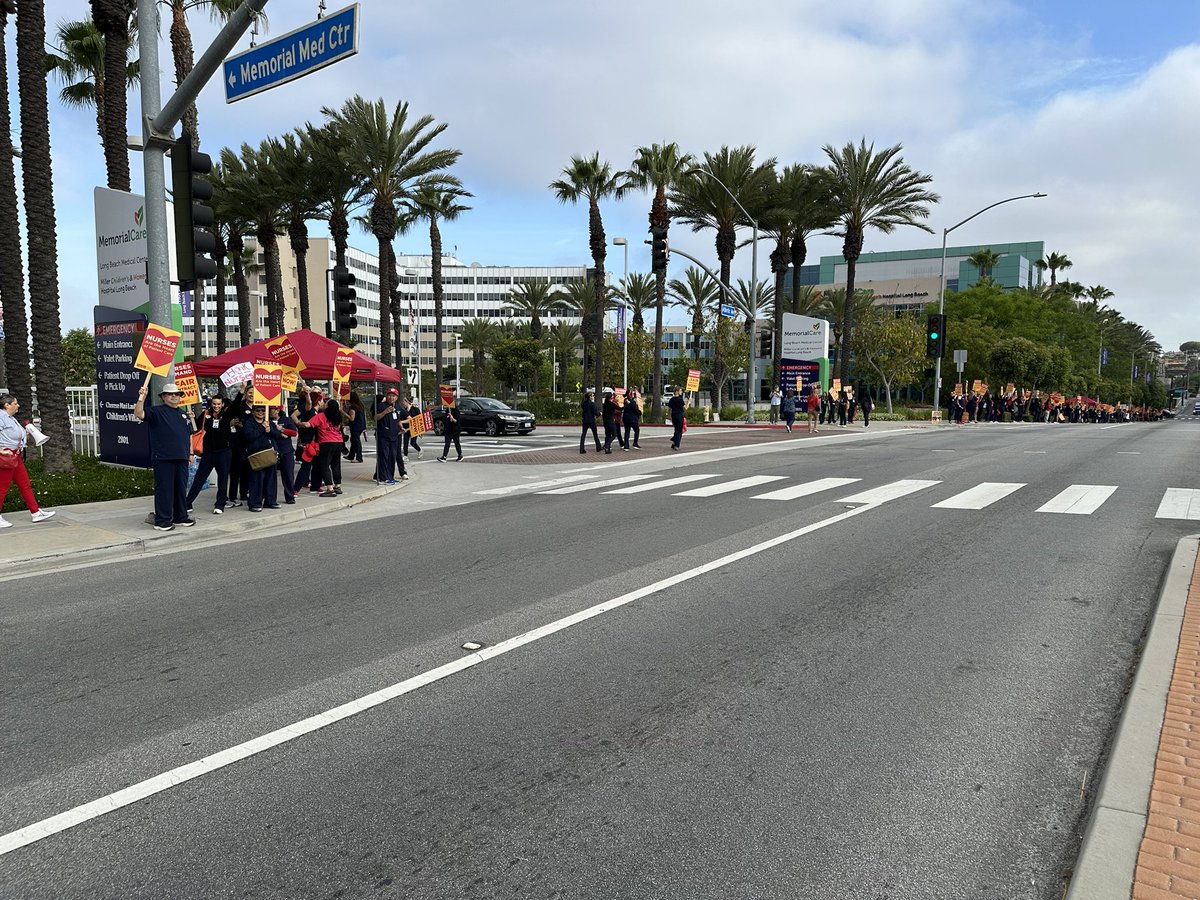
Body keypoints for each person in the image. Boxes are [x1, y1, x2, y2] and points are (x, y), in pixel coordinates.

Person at [134, 380, 196, 532]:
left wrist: (190, 452)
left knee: (180, 489)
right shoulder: (156, 411)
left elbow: (189, 435)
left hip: (182, 457)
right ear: (163, 397)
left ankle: (180, 516)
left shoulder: (183, 414)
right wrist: (141, 398)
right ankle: (162, 520)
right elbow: (139, 414)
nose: (174, 396)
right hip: (163, 457)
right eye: (170, 394)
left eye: (176, 394)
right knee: (164, 490)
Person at [0, 393, 56, 528]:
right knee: (2, 488)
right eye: (15, 403)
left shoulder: (10, 418)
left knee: (25, 484)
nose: (18, 405)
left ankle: (35, 512)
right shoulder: (1, 417)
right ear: (7, 405)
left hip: (15, 456)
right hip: (7, 457)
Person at [186, 391, 238, 515]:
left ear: (222, 404)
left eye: (219, 404)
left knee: (223, 479)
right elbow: (196, 428)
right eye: (214, 404)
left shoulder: (226, 415)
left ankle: (220, 504)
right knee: (199, 478)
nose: (216, 406)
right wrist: (192, 419)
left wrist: (241, 390)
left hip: (223, 452)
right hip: (208, 453)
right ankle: (187, 503)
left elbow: (236, 404)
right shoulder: (206, 414)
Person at [241, 405, 281, 511]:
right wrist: (262, 428)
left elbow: (278, 435)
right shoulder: (249, 423)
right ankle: (255, 503)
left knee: (271, 480)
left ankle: (270, 501)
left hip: (269, 455)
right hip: (256, 456)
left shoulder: (269, 422)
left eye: (263, 410)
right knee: (256, 480)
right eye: (257, 410)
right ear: (253, 412)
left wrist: (270, 430)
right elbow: (249, 436)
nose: (260, 412)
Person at [308, 397, 345, 496]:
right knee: (336, 465)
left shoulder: (321, 416)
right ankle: (337, 485)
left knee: (324, 465)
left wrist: (298, 423)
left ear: (328, 407)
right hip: (338, 442)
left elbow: (308, 424)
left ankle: (330, 488)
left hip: (326, 442)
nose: (324, 404)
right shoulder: (338, 417)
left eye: (326, 404)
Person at [374, 388, 402, 484]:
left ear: (396, 397)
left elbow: (398, 419)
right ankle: (383, 478)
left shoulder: (397, 407)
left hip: (394, 435)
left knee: (392, 457)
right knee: (383, 456)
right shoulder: (381, 406)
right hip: (383, 435)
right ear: (386, 396)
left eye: (393, 396)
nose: (391, 397)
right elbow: (375, 417)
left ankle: (390, 476)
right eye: (389, 395)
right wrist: (385, 412)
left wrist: (400, 426)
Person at [271, 406, 298, 503]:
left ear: (277, 410)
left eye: (271, 410)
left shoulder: (286, 420)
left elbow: (294, 433)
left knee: (288, 475)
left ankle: (290, 497)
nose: (269, 412)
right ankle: (270, 499)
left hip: (286, 451)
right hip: (272, 452)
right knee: (271, 477)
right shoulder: (267, 420)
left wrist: (282, 429)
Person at [437, 391, 463, 462]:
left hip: (455, 430)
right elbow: (446, 418)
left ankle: (460, 455)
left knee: (456, 443)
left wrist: (452, 418)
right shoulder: (447, 410)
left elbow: (457, 421)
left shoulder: (456, 410)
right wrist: (448, 418)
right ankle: (444, 456)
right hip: (448, 429)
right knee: (447, 443)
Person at [345, 391, 368, 463]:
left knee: (356, 441)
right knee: (353, 440)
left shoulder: (353, 407)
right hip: (361, 425)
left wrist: (343, 412)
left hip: (355, 426)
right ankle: (351, 455)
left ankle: (359, 457)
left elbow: (352, 418)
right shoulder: (360, 405)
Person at [401, 395, 422, 460]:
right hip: (406, 429)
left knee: (413, 443)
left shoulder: (416, 410)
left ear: (407, 402)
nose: (403, 403)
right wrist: (402, 427)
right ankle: (405, 456)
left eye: (404, 402)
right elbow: (402, 420)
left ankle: (420, 450)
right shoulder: (404, 411)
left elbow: (420, 420)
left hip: (414, 429)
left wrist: (420, 432)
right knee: (405, 442)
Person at [602, 389, 622, 454]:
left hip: (605, 421)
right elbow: (620, 408)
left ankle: (607, 449)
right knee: (614, 434)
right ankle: (607, 445)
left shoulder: (605, 404)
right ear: (611, 398)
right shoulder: (611, 404)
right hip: (610, 421)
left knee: (608, 435)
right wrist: (626, 403)